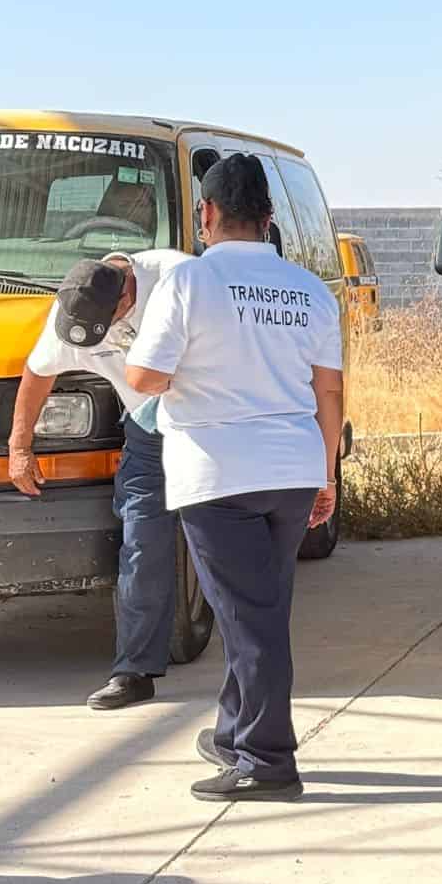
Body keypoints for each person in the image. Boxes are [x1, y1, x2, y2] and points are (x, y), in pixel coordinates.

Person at [125, 154, 343, 803]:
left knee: (251, 620)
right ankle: (233, 734)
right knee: (257, 608)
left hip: (219, 474)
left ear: (208, 214)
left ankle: (266, 761)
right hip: (292, 468)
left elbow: (145, 379)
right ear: (269, 219)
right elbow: (328, 390)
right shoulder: (309, 289)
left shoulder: (189, 283)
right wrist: (325, 471)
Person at [9, 249, 192, 709]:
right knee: (142, 540)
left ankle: (252, 671)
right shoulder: (76, 305)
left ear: (127, 295)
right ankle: (133, 671)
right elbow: (37, 372)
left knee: (227, 538)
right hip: (149, 426)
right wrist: (19, 447)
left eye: (107, 329)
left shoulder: (182, 280)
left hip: (213, 423)